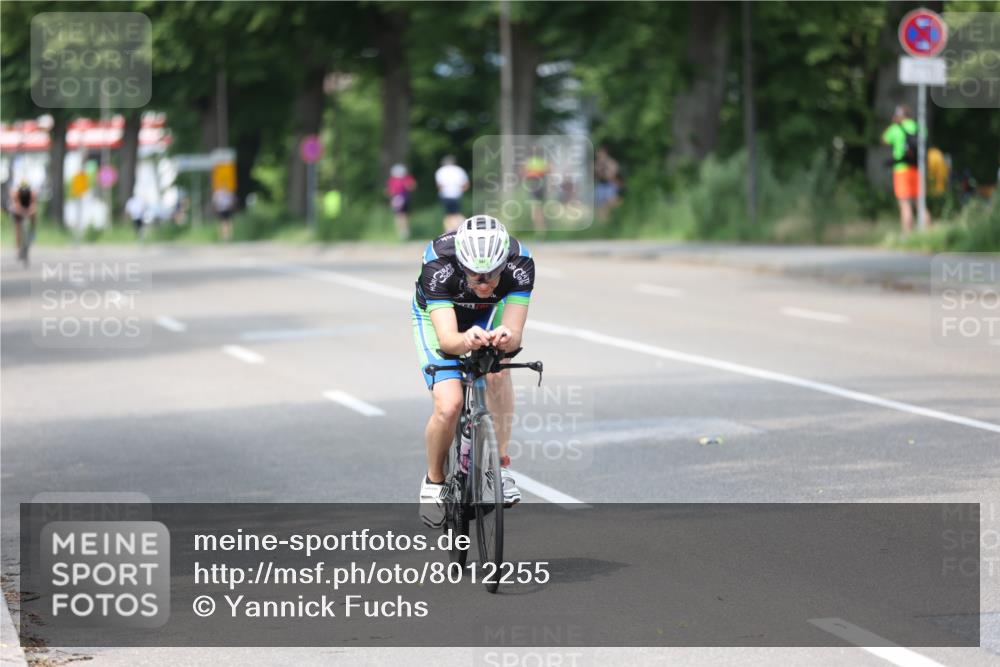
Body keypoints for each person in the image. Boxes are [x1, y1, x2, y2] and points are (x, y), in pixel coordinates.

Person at [412, 215, 535, 527]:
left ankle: (501, 468)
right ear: (461, 263)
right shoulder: (438, 266)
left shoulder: (520, 263)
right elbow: (449, 340)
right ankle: (434, 482)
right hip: (439, 318)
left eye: (492, 275)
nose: (483, 283)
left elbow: (515, 333)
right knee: (449, 404)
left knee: (500, 370)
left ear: (504, 264)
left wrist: (505, 337)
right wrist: (465, 339)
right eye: (475, 275)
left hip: (489, 315)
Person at [881, 105, 929, 235]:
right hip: (917, 168)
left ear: (898, 115)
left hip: (901, 170)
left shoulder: (895, 128)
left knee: (905, 204)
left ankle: (907, 235)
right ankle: (928, 234)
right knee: (920, 203)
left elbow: (884, 139)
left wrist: (893, 123)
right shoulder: (919, 127)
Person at [434, 155, 469, 232]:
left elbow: (440, 186)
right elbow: (466, 184)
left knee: (449, 214)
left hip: (445, 195)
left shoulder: (441, 171)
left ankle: (449, 230)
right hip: (457, 194)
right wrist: (460, 191)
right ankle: (457, 228)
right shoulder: (459, 170)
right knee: (456, 213)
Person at [8, 180, 37, 267]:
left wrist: (30, 212)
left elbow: (34, 205)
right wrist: (22, 212)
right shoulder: (16, 193)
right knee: (18, 229)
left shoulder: (32, 193)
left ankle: (32, 232)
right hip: (18, 211)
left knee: (34, 217)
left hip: (28, 209)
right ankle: (18, 248)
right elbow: (16, 205)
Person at [521, 147, 549, 233]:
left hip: (535, 186)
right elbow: (548, 170)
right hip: (540, 186)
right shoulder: (542, 161)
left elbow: (524, 173)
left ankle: (540, 229)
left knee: (536, 209)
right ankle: (541, 228)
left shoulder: (530, 162)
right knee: (538, 208)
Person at [386, 164, 416, 240]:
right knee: (403, 215)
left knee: (399, 216)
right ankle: (404, 231)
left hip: (399, 199)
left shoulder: (393, 180)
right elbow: (412, 187)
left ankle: (402, 231)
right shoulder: (406, 178)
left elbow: (390, 191)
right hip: (403, 199)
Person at [594, 146, 621, 221]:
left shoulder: (611, 162)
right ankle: (602, 222)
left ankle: (612, 219)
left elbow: (611, 175)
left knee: (610, 203)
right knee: (599, 205)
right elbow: (597, 174)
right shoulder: (597, 164)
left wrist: (604, 170)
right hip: (601, 186)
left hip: (611, 185)